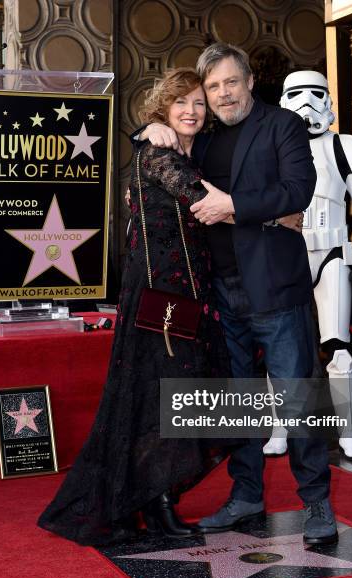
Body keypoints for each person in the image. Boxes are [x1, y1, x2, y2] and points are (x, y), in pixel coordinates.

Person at [137, 43, 337, 545]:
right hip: (220, 293)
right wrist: (147, 130)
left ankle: (317, 503)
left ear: (248, 80)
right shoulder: (200, 138)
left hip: (276, 289)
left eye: (231, 82)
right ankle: (246, 494)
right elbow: (160, 157)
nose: (222, 94)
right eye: (213, 87)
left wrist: (233, 205)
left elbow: (297, 191)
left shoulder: (283, 126)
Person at [37, 68, 240, 546]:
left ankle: (154, 498)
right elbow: (197, 200)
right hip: (161, 298)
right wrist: (277, 211)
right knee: (160, 397)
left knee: (174, 396)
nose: (191, 110)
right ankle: (153, 502)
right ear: (162, 111)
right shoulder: (159, 154)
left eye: (198, 102)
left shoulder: (180, 150)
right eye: (180, 103)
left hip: (186, 295)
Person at [264, 70, 352, 460]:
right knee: (280, 349)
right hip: (285, 255)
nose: (307, 102)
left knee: (340, 349)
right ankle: (280, 427)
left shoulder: (344, 146)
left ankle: (347, 430)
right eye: (297, 93)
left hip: (331, 253)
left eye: (316, 93)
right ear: (283, 100)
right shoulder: (271, 147)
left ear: (329, 100)